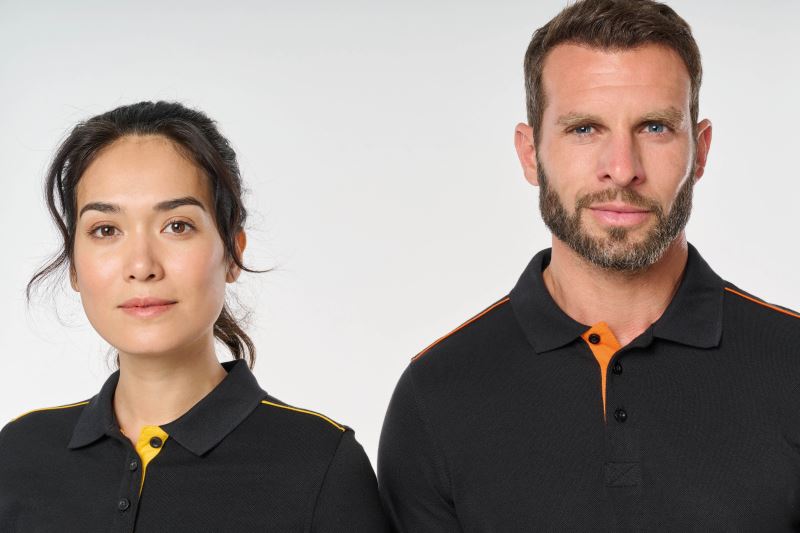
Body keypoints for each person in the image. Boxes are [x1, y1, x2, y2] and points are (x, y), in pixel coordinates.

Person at [378, 0, 800, 530]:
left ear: (701, 150)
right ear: (530, 154)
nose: (621, 169)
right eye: (584, 129)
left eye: (654, 127)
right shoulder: (436, 396)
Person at [0, 101, 388, 532]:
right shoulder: (18, 454)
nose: (142, 265)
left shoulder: (321, 464)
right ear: (74, 265)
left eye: (177, 225)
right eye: (106, 230)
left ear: (233, 253)